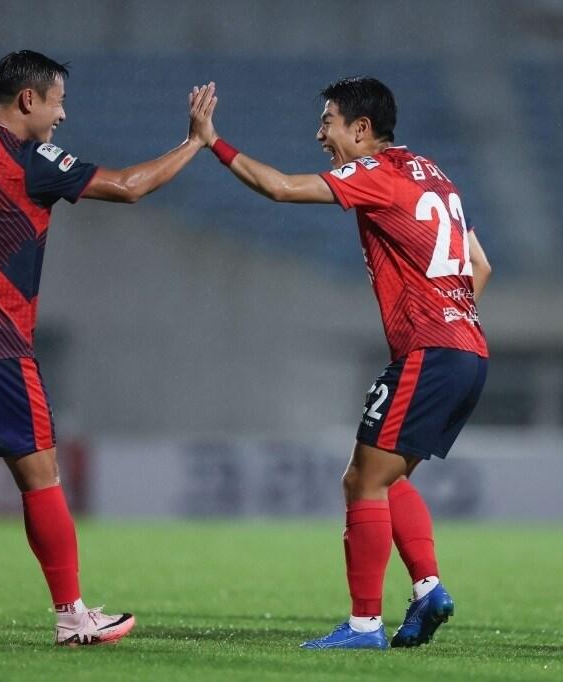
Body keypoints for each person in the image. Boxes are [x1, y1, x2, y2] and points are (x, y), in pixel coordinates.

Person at [0, 50, 216, 648]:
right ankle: (72, 615)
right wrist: (195, 143)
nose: (62, 114)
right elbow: (129, 187)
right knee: (41, 476)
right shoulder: (26, 158)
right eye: (56, 101)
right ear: (28, 99)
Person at [201, 76, 490, 649]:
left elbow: (282, 188)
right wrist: (448, 318)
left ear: (362, 130)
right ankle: (428, 588)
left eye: (328, 121)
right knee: (387, 476)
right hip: (467, 349)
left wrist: (213, 141)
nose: (320, 133)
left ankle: (364, 625)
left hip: (431, 351)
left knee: (362, 481)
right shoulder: (433, 173)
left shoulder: (376, 172)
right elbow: (479, 264)